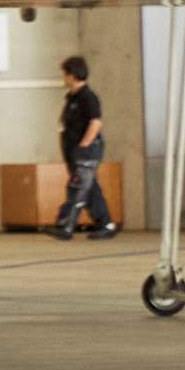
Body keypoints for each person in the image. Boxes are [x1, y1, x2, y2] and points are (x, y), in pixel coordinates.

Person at [53, 55, 118, 238]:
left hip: (86, 151)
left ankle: (65, 225)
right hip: (74, 151)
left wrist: (83, 145)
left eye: (64, 74)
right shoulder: (72, 98)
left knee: (78, 187)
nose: (63, 78)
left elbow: (95, 122)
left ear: (72, 75)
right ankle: (105, 223)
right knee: (89, 187)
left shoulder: (87, 97)